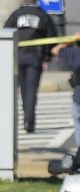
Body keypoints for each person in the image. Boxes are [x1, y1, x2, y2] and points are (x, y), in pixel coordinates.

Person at [4, 0, 56, 133]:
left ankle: (22, 118)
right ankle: (29, 121)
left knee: (23, 89)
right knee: (31, 90)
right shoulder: (42, 15)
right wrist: (47, 56)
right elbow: (52, 35)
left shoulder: (16, 14)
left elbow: (6, 32)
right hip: (35, 57)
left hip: (18, 56)